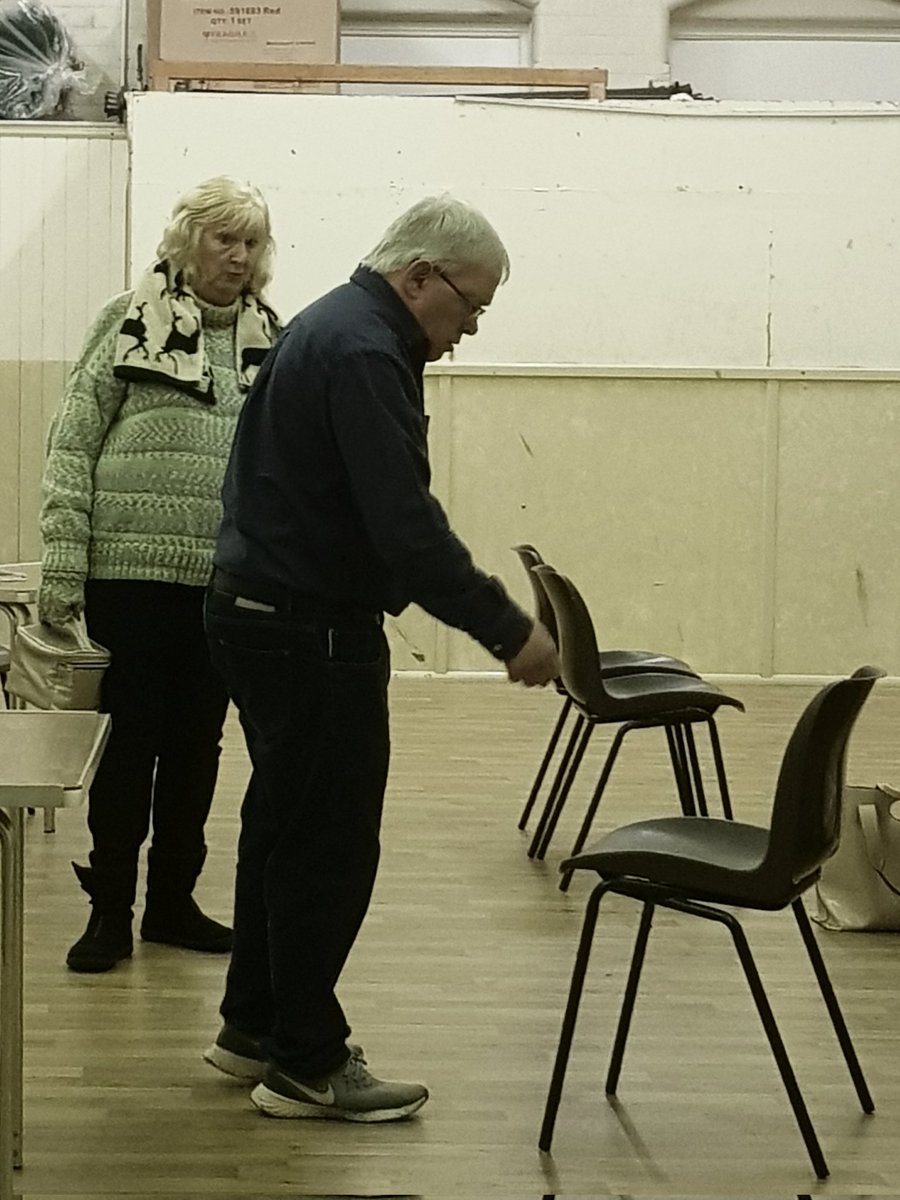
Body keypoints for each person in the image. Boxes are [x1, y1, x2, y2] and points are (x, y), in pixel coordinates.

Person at [202, 194, 560, 1123]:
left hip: (256, 611)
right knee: (327, 847)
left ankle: (255, 1027)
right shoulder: (364, 350)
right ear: (420, 279)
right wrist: (509, 631)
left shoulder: (335, 323)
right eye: (470, 306)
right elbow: (405, 533)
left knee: (282, 828)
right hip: (308, 631)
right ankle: (308, 1063)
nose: (470, 328)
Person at [38, 175, 280, 973]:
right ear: (187, 241)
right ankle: (109, 911)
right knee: (130, 746)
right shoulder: (127, 321)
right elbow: (72, 444)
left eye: (250, 242)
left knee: (197, 750)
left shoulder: (270, 339)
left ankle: (172, 905)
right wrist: (64, 566)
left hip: (224, 585)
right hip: (128, 578)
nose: (238, 256)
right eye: (224, 239)